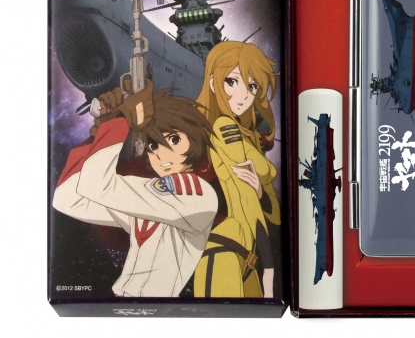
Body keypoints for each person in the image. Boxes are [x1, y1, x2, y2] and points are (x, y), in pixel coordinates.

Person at [53, 81, 218, 297]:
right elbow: (67, 199)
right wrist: (99, 132)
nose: (161, 154)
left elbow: (98, 186)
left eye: (174, 139)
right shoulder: (148, 200)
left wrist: (120, 122)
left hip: (157, 304)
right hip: (125, 302)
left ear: (194, 140)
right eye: (153, 145)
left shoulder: (196, 193)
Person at [194, 41, 280, 298]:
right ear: (213, 83)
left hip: (248, 248)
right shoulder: (223, 125)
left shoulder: (245, 135)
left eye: (252, 86)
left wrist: (260, 191)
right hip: (224, 248)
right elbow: (266, 169)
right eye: (232, 82)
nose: (243, 95)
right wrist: (261, 171)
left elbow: (269, 211)